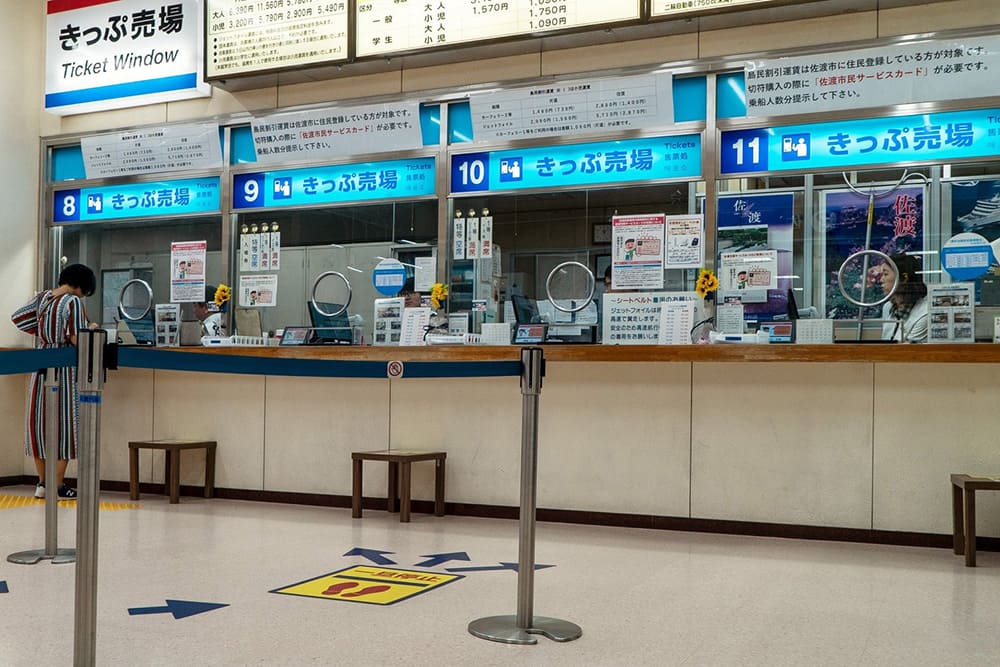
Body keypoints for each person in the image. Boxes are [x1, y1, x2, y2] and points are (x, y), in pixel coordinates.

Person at [17, 263, 99, 499]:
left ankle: (42, 484)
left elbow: (18, 318)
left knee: (39, 426)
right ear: (80, 285)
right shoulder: (73, 302)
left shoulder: (42, 298)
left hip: (40, 364)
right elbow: (76, 338)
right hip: (63, 368)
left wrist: (45, 332)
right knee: (65, 427)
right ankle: (58, 484)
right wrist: (91, 328)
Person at [880, 253, 928, 343]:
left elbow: (906, 348)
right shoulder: (888, 307)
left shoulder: (925, 312)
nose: (881, 280)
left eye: (885, 274)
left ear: (904, 278)